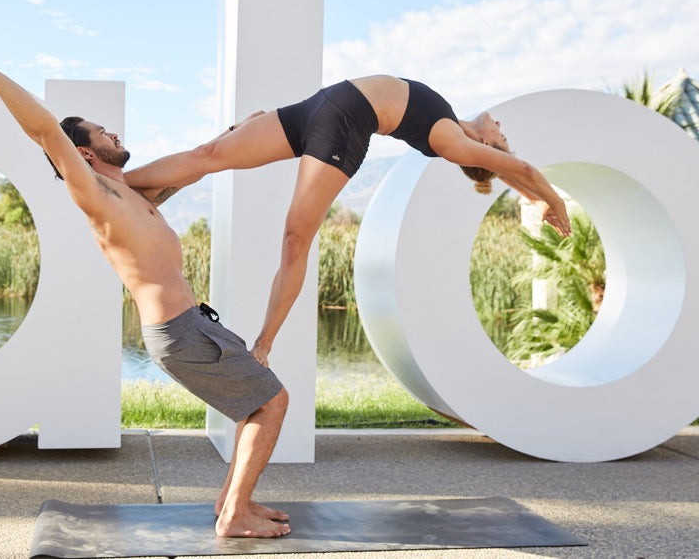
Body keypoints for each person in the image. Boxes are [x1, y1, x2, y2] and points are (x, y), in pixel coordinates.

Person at [0, 24, 290, 539]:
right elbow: (45, 132)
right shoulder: (97, 199)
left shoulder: (140, 195)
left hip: (194, 325)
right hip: (180, 333)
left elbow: (201, 159)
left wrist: (247, 126)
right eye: (103, 133)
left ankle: (231, 503)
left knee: (255, 405)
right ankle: (234, 513)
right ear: (83, 154)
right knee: (272, 402)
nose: (115, 135)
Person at [124, 76, 572, 369]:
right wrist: (535, 195)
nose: (501, 127)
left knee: (295, 238)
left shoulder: (455, 140)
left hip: (343, 131)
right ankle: (117, 183)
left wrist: (553, 201)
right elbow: (520, 177)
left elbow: (524, 170)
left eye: (503, 139)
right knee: (210, 155)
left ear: (487, 147)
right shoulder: (453, 122)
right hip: (315, 108)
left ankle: (263, 345)